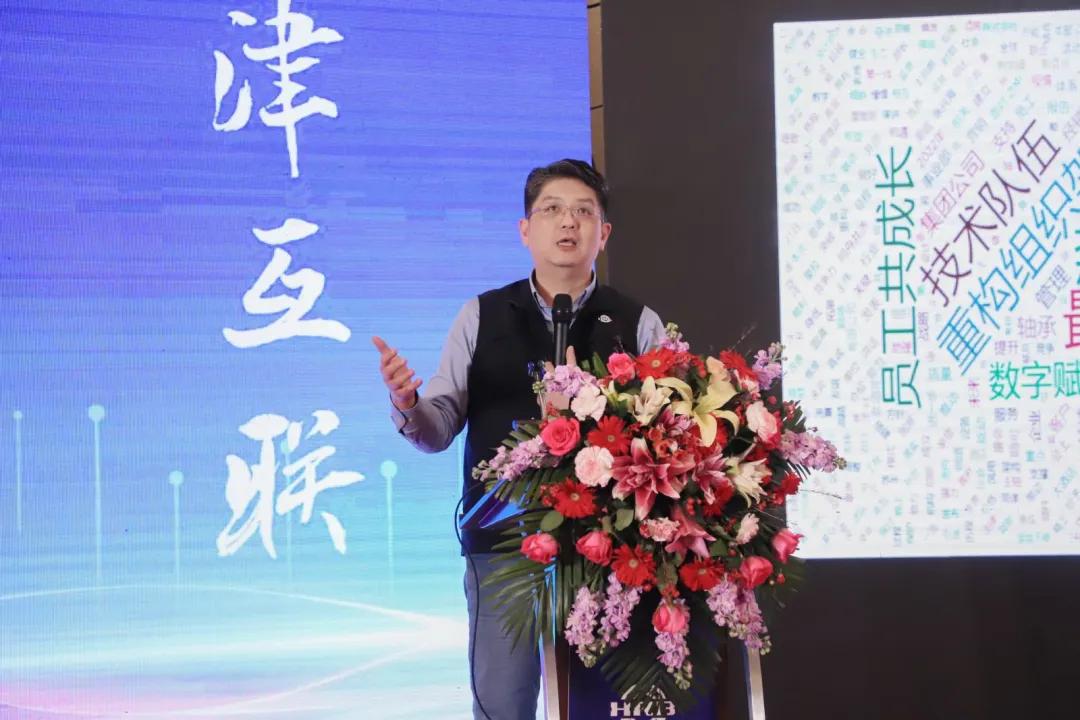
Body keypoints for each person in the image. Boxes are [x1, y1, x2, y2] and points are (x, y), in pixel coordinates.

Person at [372, 159, 664, 720]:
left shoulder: (638, 323)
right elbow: (437, 428)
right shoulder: (481, 315)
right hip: (503, 546)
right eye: (552, 209)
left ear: (603, 233)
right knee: (503, 705)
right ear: (525, 229)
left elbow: (666, 440)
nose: (568, 222)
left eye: (583, 212)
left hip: (610, 554)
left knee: (606, 706)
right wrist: (408, 403)